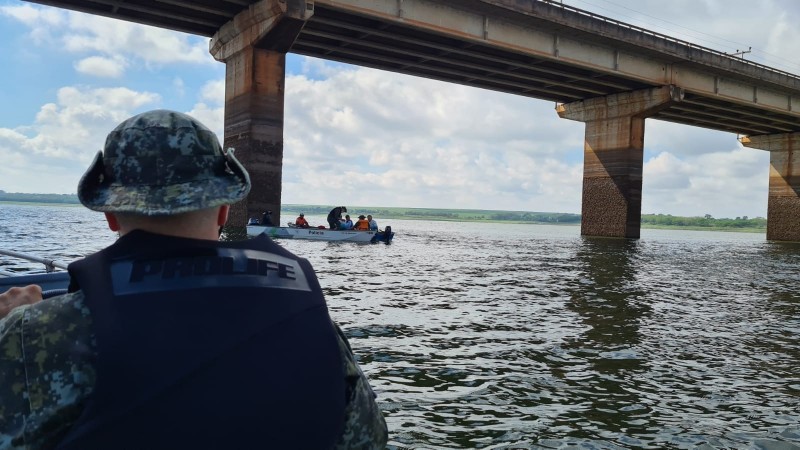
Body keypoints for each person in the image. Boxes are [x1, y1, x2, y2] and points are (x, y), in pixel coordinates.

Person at [0, 110, 387, 449]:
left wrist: (19, 328)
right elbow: (370, 438)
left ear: (111, 215)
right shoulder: (317, 328)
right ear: (223, 211)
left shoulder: (40, 332)